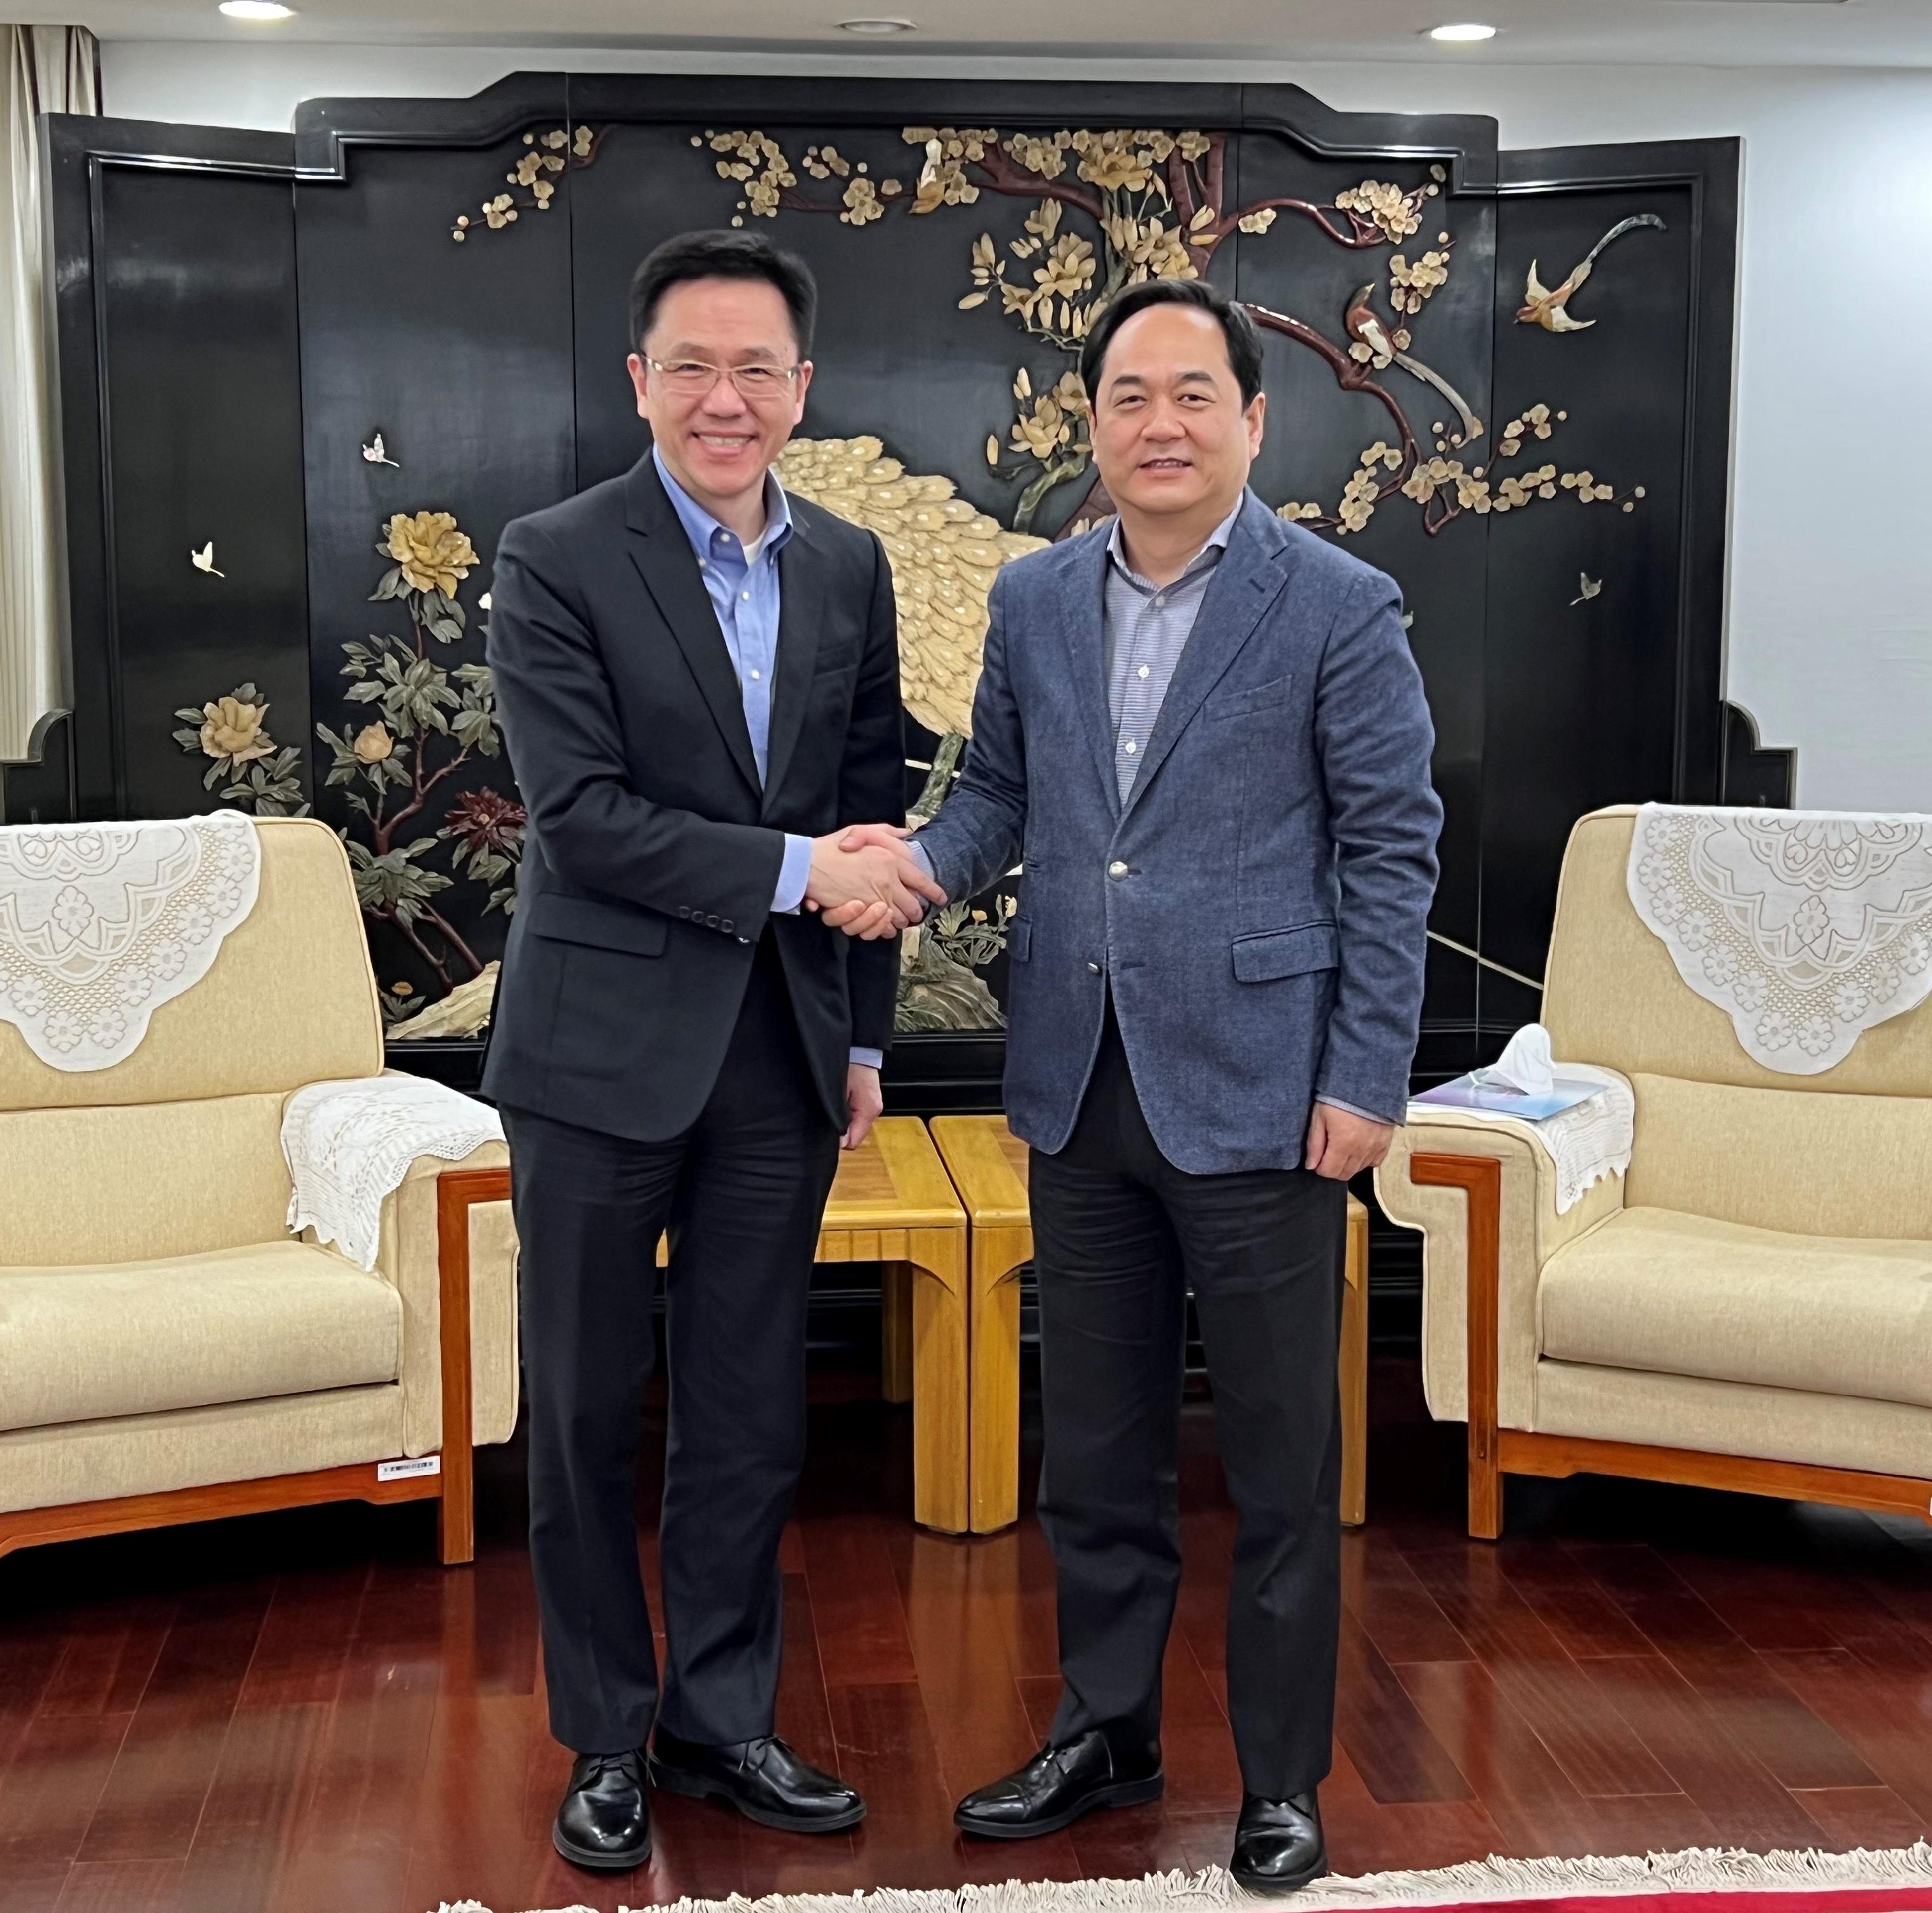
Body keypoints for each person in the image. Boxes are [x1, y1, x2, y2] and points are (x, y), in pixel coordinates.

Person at [834, 277, 1441, 1891]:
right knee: (1094, 1454)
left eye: (1191, 395)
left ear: (1252, 419)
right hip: (1077, 1084)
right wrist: (906, 868)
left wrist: (1366, 1074)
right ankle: (1106, 1732)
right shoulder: (1035, 599)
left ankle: (1283, 1780)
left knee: (1277, 1463)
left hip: (1268, 1091)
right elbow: (1002, 806)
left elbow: (1390, 852)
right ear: (1088, 423)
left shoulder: (1336, 604)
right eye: (1125, 396)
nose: (1155, 425)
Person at [484, 228, 942, 1873]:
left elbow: (868, 803)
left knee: (751, 1410)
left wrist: (867, 1036)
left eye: (757, 369)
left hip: (781, 1053)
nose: (723, 397)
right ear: (639, 381)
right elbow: (584, 820)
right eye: (692, 365)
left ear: (801, 390)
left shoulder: (845, 567)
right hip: (596, 1055)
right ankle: (605, 1735)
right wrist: (794, 874)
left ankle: (720, 1717)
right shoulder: (552, 556)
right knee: (592, 1405)